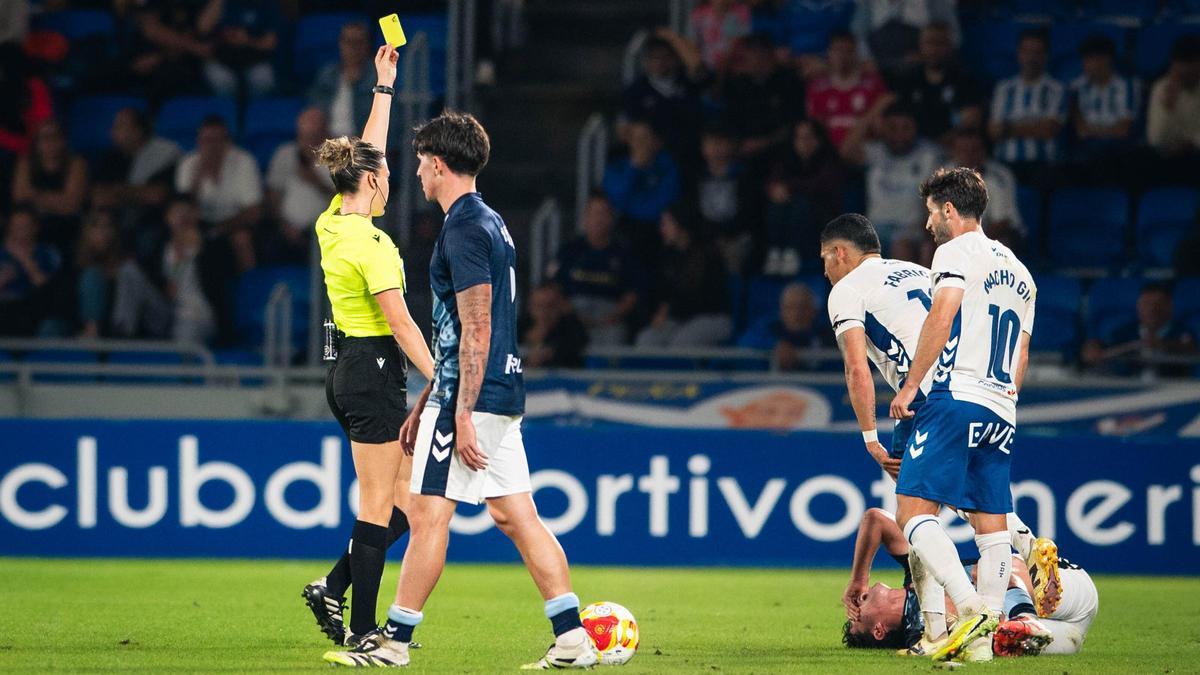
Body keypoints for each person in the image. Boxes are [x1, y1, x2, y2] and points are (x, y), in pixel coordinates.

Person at [323, 110, 598, 669]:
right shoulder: (487, 220)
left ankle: (394, 642)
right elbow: (463, 331)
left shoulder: (465, 229)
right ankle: (572, 639)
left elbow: (476, 327)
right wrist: (429, 396)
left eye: (422, 164)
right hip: (495, 388)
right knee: (517, 515)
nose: (417, 174)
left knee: (425, 513)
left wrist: (459, 410)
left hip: (475, 396)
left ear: (440, 164)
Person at [300, 45, 437, 655]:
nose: (391, 181)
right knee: (380, 506)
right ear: (375, 182)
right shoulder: (374, 245)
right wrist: (444, 374)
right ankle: (361, 631)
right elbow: (403, 325)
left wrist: (384, 86)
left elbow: (366, 154)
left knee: (408, 502)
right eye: (385, 175)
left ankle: (332, 585)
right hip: (375, 369)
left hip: (346, 368)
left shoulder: (333, 221)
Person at [888, 167, 1037, 663]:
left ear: (949, 210)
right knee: (992, 527)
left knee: (911, 513)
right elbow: (1021, 353)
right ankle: (984, 646)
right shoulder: (1021, 272)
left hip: (956, 397)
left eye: (932, 212)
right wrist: (1006, 400)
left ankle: (969, 607)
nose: (929, 223)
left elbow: (942, 312)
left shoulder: (954, 252)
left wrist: (911, 384)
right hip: (1002, 406)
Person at [841, 508, 1099, 657]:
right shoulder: (920, 635)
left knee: (986, 573)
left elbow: (876, 519)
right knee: (994, 638)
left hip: (1070, 593)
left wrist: (859, 578)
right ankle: (1021, 627)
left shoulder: (918, 576)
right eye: (856, 616)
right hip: (1059, 636)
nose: (855, 604)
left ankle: (1024, 617)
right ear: (879, 631)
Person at [819, 213, 932, 480]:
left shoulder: (847, 288)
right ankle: (1010, 524)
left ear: (839, 252)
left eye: (825, 258)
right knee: (978, 501)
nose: (825, 271)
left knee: (913, 504)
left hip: (924, 396)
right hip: (974, 388)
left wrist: (871, 440)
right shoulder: (924, 273)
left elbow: (856, 369)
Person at [844, 103, 942, 259]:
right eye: (893, 128)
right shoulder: (874, 152)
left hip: (910, 231)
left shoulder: (930, 155)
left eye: (906, 128)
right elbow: (846, 151)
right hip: (875, 229)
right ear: (883, 128)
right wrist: (873, 113)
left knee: (901, 247)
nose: (899, 134)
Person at [549, 192, 642, 346]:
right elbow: (554, 287)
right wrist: (571, 313)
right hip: (574, 312)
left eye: (604, 213)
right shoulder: (570, 250)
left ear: (612, 218)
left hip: (610, 315)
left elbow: (633, 291)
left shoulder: (623, 253)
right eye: (594, 213)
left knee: (616, 338)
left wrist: (613, 316)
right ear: (585, 217)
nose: (599, 219)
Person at [634, 204, 732, 349]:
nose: (662, 229)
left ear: (681, 224)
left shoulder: (708, 255)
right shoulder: (668, 256)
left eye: (666, 223)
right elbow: (664, 293)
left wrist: (670, 308)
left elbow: (705, 301)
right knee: (646, 339)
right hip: (680, 319)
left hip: (712, 318)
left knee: (681, 344)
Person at [174, 115, 262, 272]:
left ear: (227, 141)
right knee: (184, 234)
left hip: (234, 223)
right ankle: (185, 290)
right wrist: (198, 178)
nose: (211, 146)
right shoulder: (189, 164)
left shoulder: (244, 162)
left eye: (216, 140)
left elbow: (253, 211)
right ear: (199, 142)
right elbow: (183, 209)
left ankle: (250, 288)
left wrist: (220, 229)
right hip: (199, 223)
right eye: (206, 141)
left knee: (242, 239)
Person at [763, 119, 844, 276]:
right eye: (799, 138)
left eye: (808, 137)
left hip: (821, 221)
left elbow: (821, 186)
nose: (804, 143)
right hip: (787, 215)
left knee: (800, 204)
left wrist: (789, 188)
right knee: (777, 203)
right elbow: (773, 183)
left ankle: (793, 253)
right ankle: (776, 251)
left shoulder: (830, 159)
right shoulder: (786, 159)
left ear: (819, 139)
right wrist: (775, 190)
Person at [988, 30, 1065, 182]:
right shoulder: (1004, 89)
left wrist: (1009, 128)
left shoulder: (1056, 89)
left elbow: (1049, 130)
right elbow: (994, 131)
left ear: (1046, 56)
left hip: (1043, 164)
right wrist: (1034, 126)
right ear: (1018, 54)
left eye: (1037, 52)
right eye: (1027, 51)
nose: (1031, 58)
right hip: (1005, 163)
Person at [890, 22, 982, 142]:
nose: (934, 49)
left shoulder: (965, 80)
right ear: (920, 46)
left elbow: (971, 121)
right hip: (913, 148)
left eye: (940, 43)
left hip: (951, 149)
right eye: (929, 43)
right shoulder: (909, 79)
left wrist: (938, 145)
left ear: (950, 46)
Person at [1081, 283, 1197, 379]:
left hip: (1172, 391)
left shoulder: (1182, 332)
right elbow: (1104, 351)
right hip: (1129, 389)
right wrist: (1094, 349)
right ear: (1138, 307)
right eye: (1146, 304)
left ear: (1169, 307)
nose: (1152, 310)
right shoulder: (1125, 332)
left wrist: (1163, 345)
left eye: (1158, 304)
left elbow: (1191, 350)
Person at [602, 120, 682, 256]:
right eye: (636, 139)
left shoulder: (667, 166)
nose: (640, 144)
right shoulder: (617, 167)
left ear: (656, 142)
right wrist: (634, 169)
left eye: (645, 138)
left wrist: (636, 206)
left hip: (657, 229)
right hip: (626, 229)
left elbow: (667, 200)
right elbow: (617, 199)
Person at [11, 118, 89, 256]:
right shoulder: (26, 162)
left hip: (64, 223)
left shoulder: (76, 163)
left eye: (54, 136)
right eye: (44, 137)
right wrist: (56, 200)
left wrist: (36, 196)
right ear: (37, 142)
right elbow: (20, 196)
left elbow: (72, 204)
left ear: (63, 140)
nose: (50, 142)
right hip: (31, 220)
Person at [266, 107, 334, 264]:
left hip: (325, 230)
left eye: (313, 134)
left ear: (325, 131)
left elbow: (348, 201)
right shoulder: (285, 154)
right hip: (285, 228)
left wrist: (316, 182)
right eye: (304, 134)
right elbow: (273, 196)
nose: (308, 140)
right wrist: (284, 226)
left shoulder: (340, 157)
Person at [806, 30, 891, 150]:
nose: (842, 56)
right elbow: (814, 127)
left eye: (848, 51)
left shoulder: (873, 84)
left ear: (856, 54)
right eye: (837, 50)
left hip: (866, 151)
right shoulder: (817, 87)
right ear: (829, 53)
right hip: (829, 153)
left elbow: (880, 126)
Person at [1068, 34, 1138, 169]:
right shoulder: (1075, 88)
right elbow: (1081, 131)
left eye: (1090, 59)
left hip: (1118, 150)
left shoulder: (1128, 86)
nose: (1086, 65)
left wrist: (1093, 130)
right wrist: (1108, 130)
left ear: (1106, 59)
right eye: (1085, 59)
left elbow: (1123, 130)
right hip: (1086, 151)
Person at [947, 129, 1023, 253]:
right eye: (963, 150)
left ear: (983, 151)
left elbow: (1002, 223)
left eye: (974, 150)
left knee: (1000, 244)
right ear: (954, 151)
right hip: (958, 238)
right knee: (929, 246)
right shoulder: (944, 175)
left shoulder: (999, 177)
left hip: (1001, 233)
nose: (968, 155)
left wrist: (971, 243)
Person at [737, 282, 835, 371]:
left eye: (802, 307)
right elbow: (744, 342)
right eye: (790, 308)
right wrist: (774, 345)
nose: (796, 314)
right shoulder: (769, 327)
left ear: (813, 311)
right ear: (781, 310)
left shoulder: (826, 333)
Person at [308, 22, 378, 141]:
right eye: (348, 42)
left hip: (361, 144)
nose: (353, 48)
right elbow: (315, 109)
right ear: (340, 44)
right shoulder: (328, 74)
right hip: (327, 141)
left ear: (367, 45)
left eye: (358, 42)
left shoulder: (377, 77)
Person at [0, 205, 62, 336]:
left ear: (35, 228)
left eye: (24, 227)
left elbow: (47, 290)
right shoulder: (1, 254)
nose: (19, 232)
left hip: (32, 310)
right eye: (15, 227)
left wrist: (24, 259)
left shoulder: (46, 253)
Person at [203, 0, 281, 98]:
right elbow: (203, 28)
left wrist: (247, 40)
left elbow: (270, 43)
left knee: (263, 79)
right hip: (222, 60)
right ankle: (225, 111)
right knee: (219, 79)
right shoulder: (223, 4)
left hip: (255, 61)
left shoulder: (267, 5)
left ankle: (256, 111)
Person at [1146, 35, 1200, 162]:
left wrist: (1191, 144)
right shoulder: (1161, 88)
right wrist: (1168, 107)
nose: (1184, 70)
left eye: (1191, 63)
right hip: (1168, 157)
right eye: (1180, 64)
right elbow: (1156, 139)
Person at [520, 283, 589, 368]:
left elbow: (576, 343)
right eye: (538, 306)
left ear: (562, 306)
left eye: (550, 306)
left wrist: (549, 352)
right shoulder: (517, 328)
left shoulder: (572, 330)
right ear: (530, 307)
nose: (544, 311)